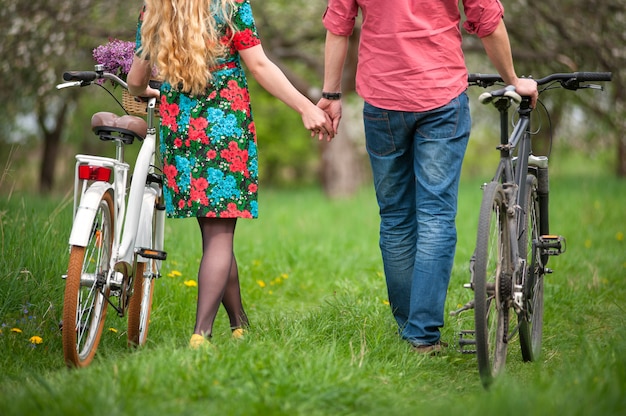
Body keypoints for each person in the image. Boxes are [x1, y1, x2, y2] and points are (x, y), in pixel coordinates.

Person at [318, 0, 538, 354]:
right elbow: (487, 19)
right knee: (435, 216)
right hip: (440, 95)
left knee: (395, 217)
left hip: (382, 99)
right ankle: (421, 334)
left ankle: (411, 328)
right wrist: (513, 80)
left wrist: (330, 94)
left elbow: (338, 25)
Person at [127, 0, 334, 349]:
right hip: (224, 126)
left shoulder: (156, 7)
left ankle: (240, 324)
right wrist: (305, 106)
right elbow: (260, 65)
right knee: (220, 236)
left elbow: (135, 81)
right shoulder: (230, 4)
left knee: (214, 233)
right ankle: (201, 335)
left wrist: (149, 92)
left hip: (182, 127)